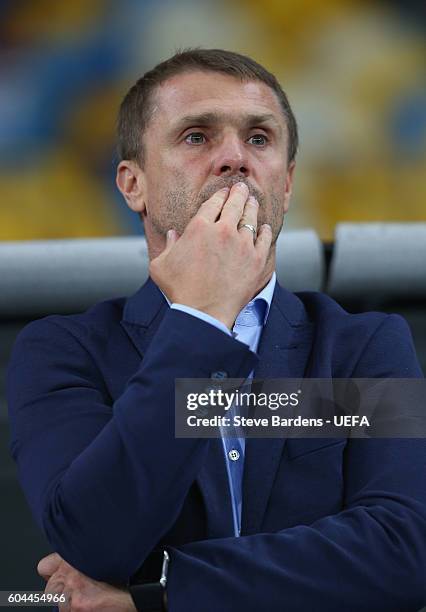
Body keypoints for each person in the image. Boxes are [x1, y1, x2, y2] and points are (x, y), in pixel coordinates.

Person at [7, 48, 426, 612]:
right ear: (133, 185)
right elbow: (94, 539)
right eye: (197, 136)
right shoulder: (63, 351)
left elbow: (404, 551)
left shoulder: (364, 346)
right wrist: (201, 318)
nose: (235, 158)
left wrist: (163, 592)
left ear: (287, 184)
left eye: (258, 138)